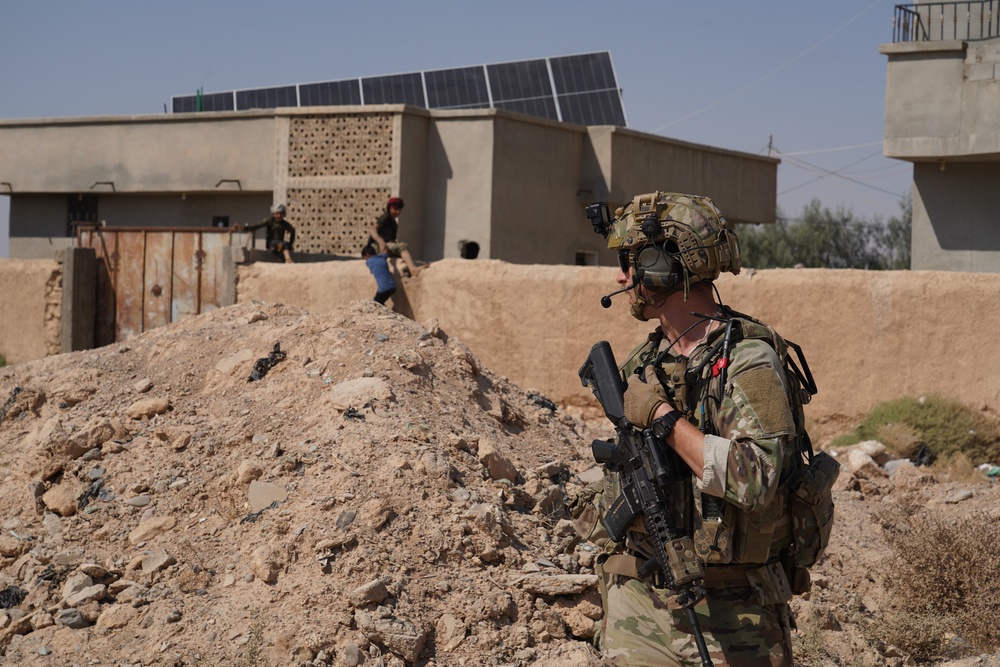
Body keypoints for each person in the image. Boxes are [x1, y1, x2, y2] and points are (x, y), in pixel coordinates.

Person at [573, 192, 835, 666]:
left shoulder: (748, 362)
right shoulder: (646, 362)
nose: (620, 277)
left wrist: (660, 418)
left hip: (735, 614)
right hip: (641, 605)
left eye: (629, 262)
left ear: (661, 265)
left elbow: (754, 480)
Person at [368, 196, 424, 276]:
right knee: (402, 247)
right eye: (395, 209)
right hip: (376, 247)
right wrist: (380, 242)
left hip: (387, 247)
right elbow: (372, 230)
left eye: (399, 210)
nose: (397, 212)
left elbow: (392, 241)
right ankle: (413, 269)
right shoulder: (385, 217)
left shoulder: (394, 223)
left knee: (403, 249)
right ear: (389, 208)